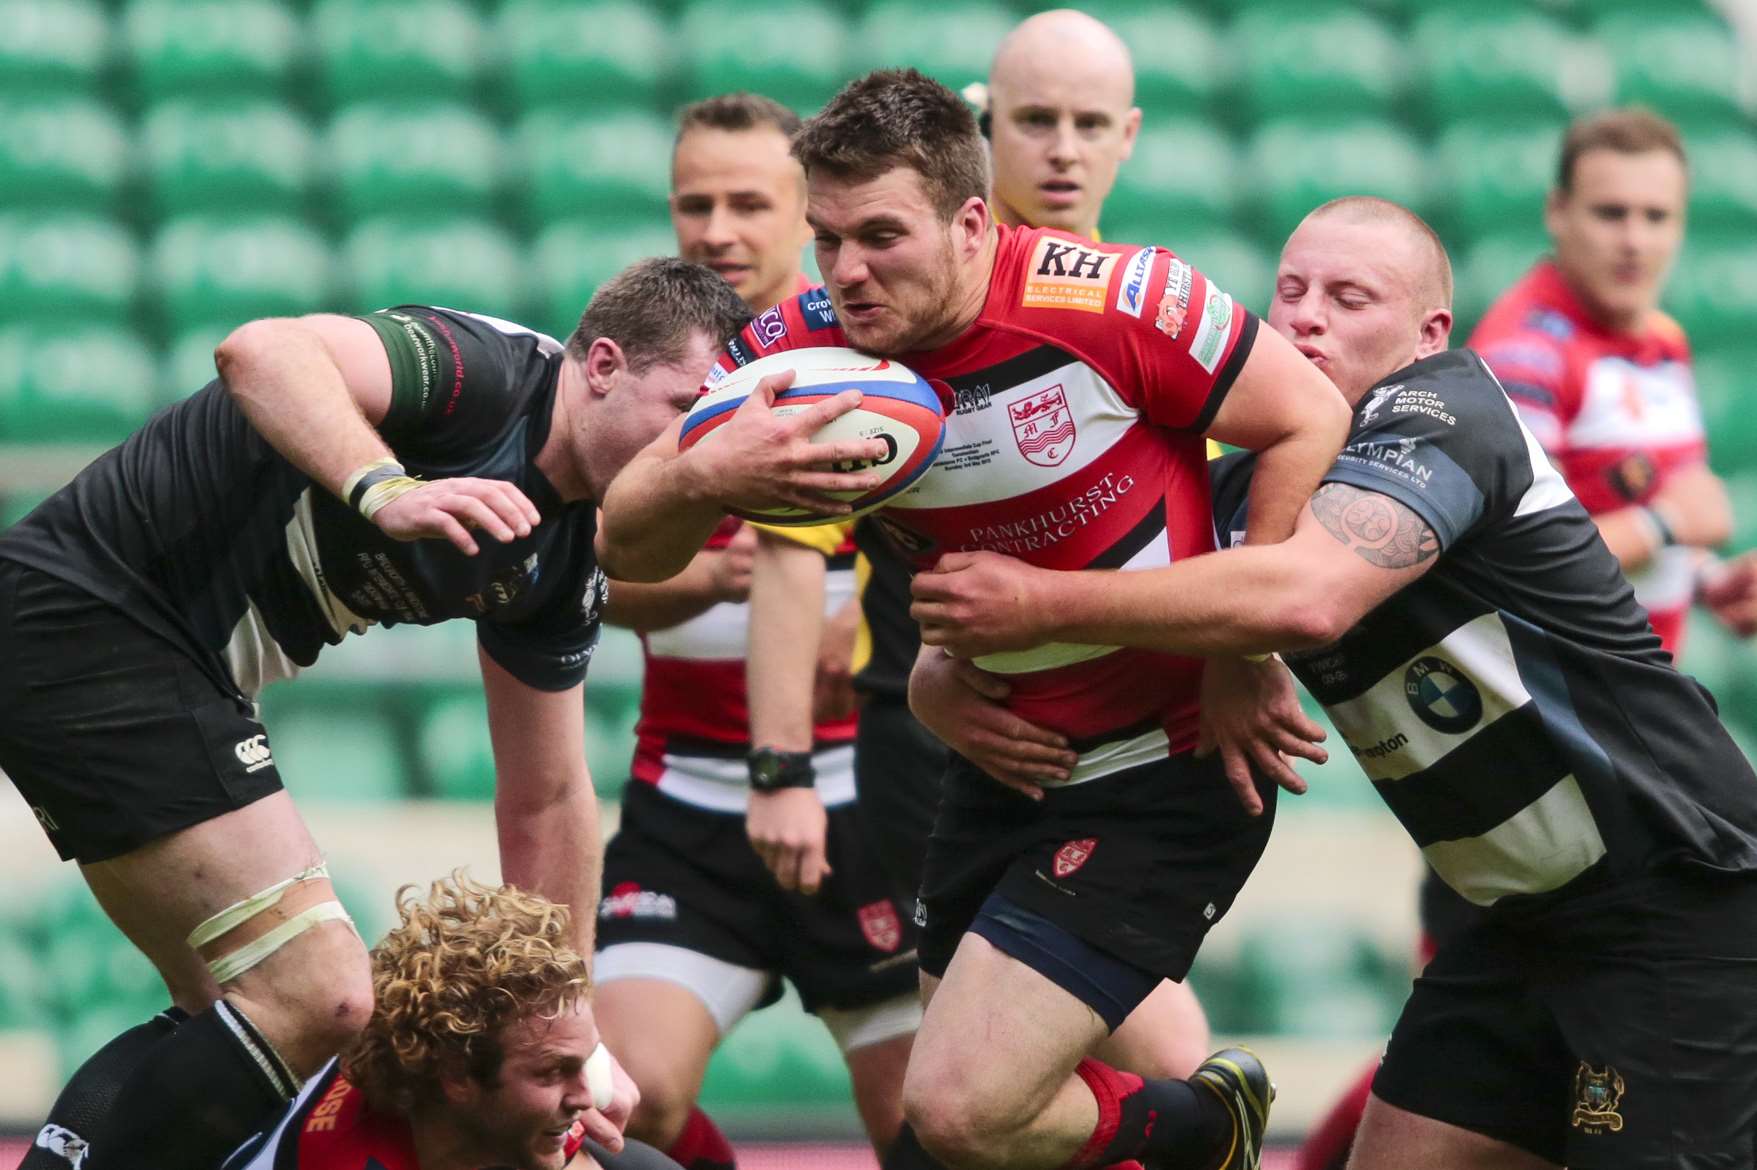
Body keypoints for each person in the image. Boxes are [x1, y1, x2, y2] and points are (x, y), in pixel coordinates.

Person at [601, 68, 1353, 1170]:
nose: (846, 272)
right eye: (826, 238)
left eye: (880, 236)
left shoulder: (1116, 300)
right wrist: (701, 474)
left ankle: (1197, 1131)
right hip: (991, 769)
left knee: (956, 1107)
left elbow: (1307, 415)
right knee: (951, 1138)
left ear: (969, 220)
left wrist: (1243, 652)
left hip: (1163, 770)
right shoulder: (803, 356)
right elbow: (623, 540)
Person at [907, 194, 1757, 1170]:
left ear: (1426, 331)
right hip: (1516, 922)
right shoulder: (1249, 487)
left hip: (1679, 897)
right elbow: (1086, 593)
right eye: (1292, 291)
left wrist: (1068, 611)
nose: (1306, 315)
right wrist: (941, 673)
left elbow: (1303, 599)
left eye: (1350, 296)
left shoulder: (1449, 410)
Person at [0, 258, 884, 1170]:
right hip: (95, 618)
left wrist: (571, 1027)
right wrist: (385, 486)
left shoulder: (564, 555)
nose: (690, 446)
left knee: (246, 1023)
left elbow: (546, 798)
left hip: (144, 662)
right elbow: (260, 350)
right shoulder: (487, 377)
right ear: (606, 364)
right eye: (683, 409)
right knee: (326, 999)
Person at [744, 7, 1213, 1088]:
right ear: (982, 123)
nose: (1060, 148)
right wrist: (785, 762)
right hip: (953, 750)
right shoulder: (889, 315)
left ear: (1128, 136)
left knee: (1003, 1089)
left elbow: (1222, 526)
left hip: (1131, 749)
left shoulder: (1146, 305)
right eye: (1034, 118)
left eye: (1088, 123)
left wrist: (1243, 658)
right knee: (1027, 1077)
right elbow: (789, 546)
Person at [591, 93, 919, 1170]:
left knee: (934, 1134)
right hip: (686, 803)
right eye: (695, 203)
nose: (717, 230)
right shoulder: (635, 375)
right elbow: (567, 577)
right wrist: (696, 580)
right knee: (621, 1104)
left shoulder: (873, 367)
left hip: (863, 805)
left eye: (748, 202)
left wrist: (868, 619)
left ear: (804, 212)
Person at [1472, 106, 1757, 653]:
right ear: (1558, 212)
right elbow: (1521, 562)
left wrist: (1706, 579)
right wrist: (1665, 524)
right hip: (1563, 693)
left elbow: (1639, 514)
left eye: (1657, 217)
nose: (1635, 240)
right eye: (1611, 213)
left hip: (1639, 685)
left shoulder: (1665, 340)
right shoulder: (1525, 356)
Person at [222, 872, 682, 1170]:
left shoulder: (501, 1111)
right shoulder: (342, 1158)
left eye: (585, 1060)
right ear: (457, 1075)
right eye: (553, 1071)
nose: (588, 1096)